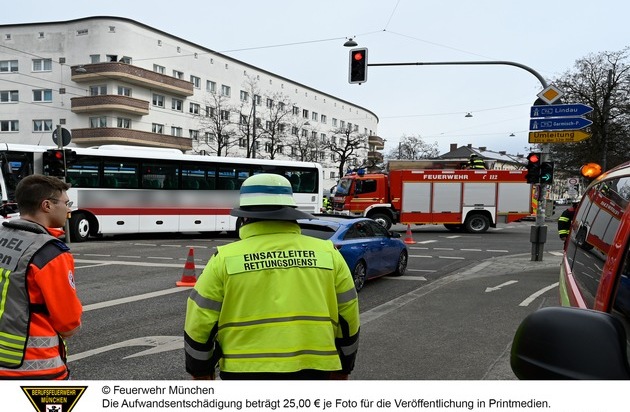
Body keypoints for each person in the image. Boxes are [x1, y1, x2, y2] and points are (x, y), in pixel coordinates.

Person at [184, 173, 360, 380]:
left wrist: (200, 372)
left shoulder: (224, 259)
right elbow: (348, 316)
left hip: (244, 372)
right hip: (315, 367)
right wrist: (344, 366)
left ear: (244, 216)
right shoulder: (328, 253)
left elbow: (199, 321)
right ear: (290, 213)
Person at [0, 175, 82, 379]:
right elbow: (68, 322)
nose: (69, 209)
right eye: (66, 203)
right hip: (35, 367)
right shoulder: (50, 253)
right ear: (47, 205)